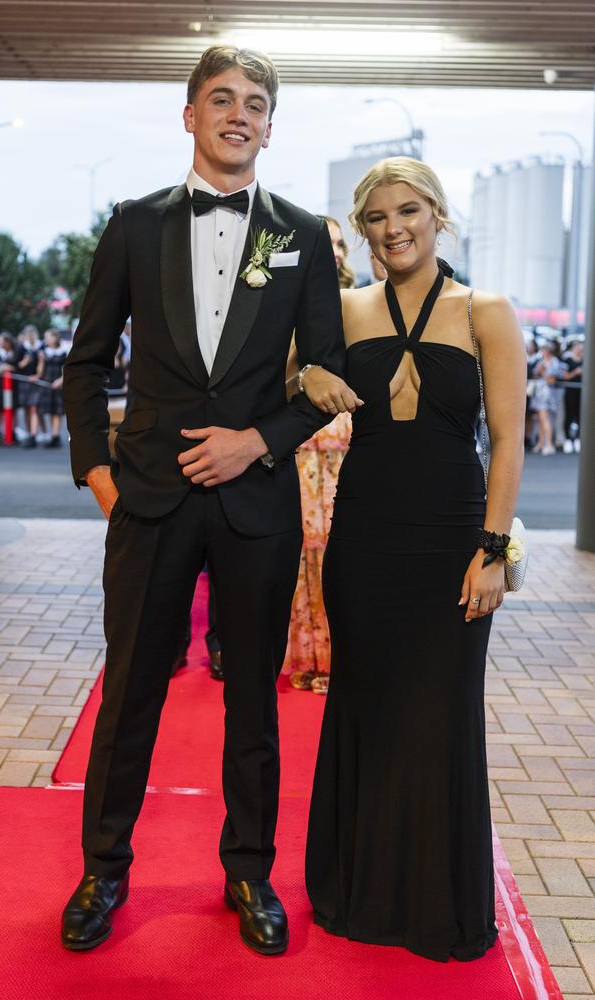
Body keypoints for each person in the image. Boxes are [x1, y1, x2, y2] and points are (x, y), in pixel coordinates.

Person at [61, 44, 357, 957]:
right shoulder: (135, 224)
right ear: (189, 115)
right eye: (220, 98)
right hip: (146, 503)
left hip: (255, 507)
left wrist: (256, 442)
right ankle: (103, 871)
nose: (238, 114)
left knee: (253, 709)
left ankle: (249, 870)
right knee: (130, 698)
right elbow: (84, 366)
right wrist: (101, 476)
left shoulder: (302, 234)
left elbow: (327, 376)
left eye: (255, 103)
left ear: (271, 125)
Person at [305, 156, 526, 962]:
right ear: (362, 229)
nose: (395, 227)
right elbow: (291, 372)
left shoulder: (486, 311)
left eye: (409, 211)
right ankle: (358, 894)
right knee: (366, 707)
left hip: (451, 543)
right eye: (376, 216)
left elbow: (507, 442)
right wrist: (311, 369)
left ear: (437, 215)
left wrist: (492, 551)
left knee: (440, 716)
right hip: (363, 539)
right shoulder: (341, 309)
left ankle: (437, 907)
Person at [284, 216, 353, 695]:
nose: (335, 251)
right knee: (306, 553)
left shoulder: (364, 301)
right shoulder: (289, 302)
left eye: (340, 243)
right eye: (326, 243)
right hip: (303, 440)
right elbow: (284, 373)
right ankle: (308, 657)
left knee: (342, 549)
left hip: (349, 438)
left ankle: (344, 658)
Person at [529, 340, 565, 455]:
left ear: (548, 351)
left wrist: (543, 372)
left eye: (544, 349)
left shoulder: (554, 362)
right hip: (539, 392)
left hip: (548, 393)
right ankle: (540, 443)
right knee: (539, 419)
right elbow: (535, 374)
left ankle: (549, 444)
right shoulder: (541, 361)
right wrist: (539, 371)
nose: (542, 352)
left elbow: (552, 379)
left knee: (545, 419)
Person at [37, 329, 67, 448]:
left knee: (57, 412)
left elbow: (67, 369)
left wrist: (60, 381)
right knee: (49, 411)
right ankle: (52, 434)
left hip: (58, 384)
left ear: (55, 338)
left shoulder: (63, 352)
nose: (47, 340)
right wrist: (41, 360)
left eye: (49, 337)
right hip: (47, 384)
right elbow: (40, 372)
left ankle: (56, 436)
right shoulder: (44, 352)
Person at [560, 337, 583, 453]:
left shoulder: (585, 360)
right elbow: (563, 376)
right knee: (569, 415)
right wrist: (575, 372)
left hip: (582, 393)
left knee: (581, 416)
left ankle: (578, 439)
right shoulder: (567, 360)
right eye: (578, 346)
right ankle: (568, 440)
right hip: (570, 392)